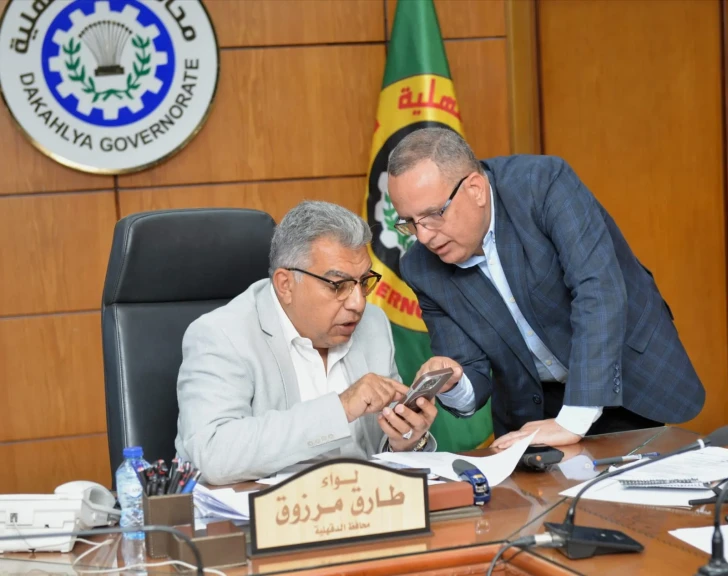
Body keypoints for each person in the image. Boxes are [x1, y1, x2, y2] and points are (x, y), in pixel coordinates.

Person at [386, 127, 704, 450]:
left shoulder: (543, 184)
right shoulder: (421, 267)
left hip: (621, 375)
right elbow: (472, 376)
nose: (423, 236)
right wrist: (455, 381)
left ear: (476, 189)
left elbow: (599, 290)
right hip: (534, 410)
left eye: (433, 215)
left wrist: (573, 420)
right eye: (409, 222)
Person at [175, 201, 437, 484]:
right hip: (265, 507)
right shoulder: (222, 335)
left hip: (361, 502)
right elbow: (213, 454)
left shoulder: (373, 324)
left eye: (363, 282)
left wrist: (405, 440)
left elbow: (380, 452)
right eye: (338, 285)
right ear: (285, 284)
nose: (358, 303)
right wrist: (341, 408)